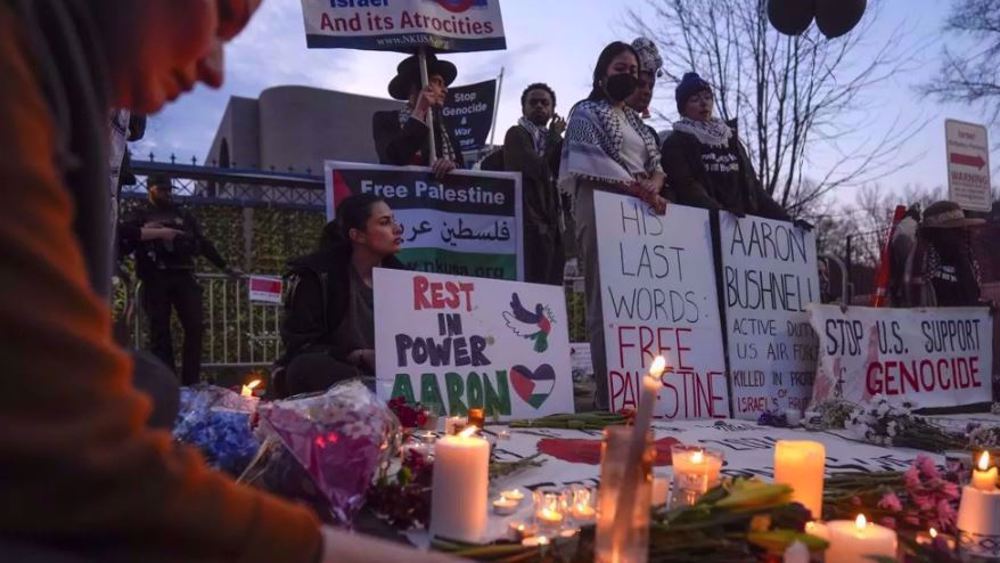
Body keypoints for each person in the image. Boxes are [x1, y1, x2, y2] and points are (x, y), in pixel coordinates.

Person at [0, 1, 455, 561]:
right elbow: (80, 455)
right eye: (222, 19)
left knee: (152, 385)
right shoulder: (21, 83)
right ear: (357, 232)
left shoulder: (66, 98)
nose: (216, 68)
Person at [558, 41, 668, 410]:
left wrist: (654, 183)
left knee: (638, 302)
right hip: (600, 203)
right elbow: (592, 161)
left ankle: (647, 393)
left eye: (634, 72)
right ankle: (611, 397)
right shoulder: (586, 113)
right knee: (606, 303)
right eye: (620, 69)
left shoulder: (637, 122)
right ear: (602, 72)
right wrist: (639, 187)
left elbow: (656, 164)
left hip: (640, 212)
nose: (629, 76)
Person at [277, 194, 405, 397]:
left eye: (393, 221)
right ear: (357, 236)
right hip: (340, 374)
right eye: (384, 222)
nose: (397, 229)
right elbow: (301, 343)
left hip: (388, 375)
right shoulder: (318, 276)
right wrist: (358, 356)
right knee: (306, 367)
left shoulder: (403, 278)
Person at [119, 174, 241, 386]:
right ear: (151, 189)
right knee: (160, 332)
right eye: (162, 189)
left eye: (169, 190)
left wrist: (225, 267)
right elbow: (127, 238)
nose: (167, 193)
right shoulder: (139, 212)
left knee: (195, 326)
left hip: (183, 274)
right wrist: (154, 232)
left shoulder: (182, 213)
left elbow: (202, 243)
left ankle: (191, 382)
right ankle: (165, 382)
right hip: (154, 276)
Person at [661, 72, 791, 221]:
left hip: (743, 226)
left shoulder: (730, 140)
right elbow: (687, 186)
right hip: (703, 227)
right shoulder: (676, 143)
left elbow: (753, 188)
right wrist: (720, 214)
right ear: (682, 109)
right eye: (695, 99)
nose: (704, 103)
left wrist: (787, 219)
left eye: (707, 97)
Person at [502, 83, 566, 285]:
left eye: (545, 103)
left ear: (552, 110)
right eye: (533, 102)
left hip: (553, 227)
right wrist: (555, 138)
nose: (539, 106)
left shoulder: (553, 141)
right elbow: (537, 170)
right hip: (528, 227)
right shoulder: (516, 135)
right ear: (523, 108)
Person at [373, 53, 464, 177]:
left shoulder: (445, 131)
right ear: (415, 87)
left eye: (445, 84)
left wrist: (452, 168)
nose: (445, 89)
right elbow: (392, 159)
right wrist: (420, 110)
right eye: (437, 82)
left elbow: (465, 176)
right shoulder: (385, 120)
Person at [905, 201, 987, 307]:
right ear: (936, 234)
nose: (964, 234)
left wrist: (986, 309)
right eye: (955, 230)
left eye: (964, 228)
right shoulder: (921, 266)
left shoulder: (968, 263)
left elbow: (971, 303)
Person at [627, 37, 664, 148]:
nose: (647, 91)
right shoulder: (603, 119)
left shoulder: (651, 135)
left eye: (651, 86)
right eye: (640, 84)